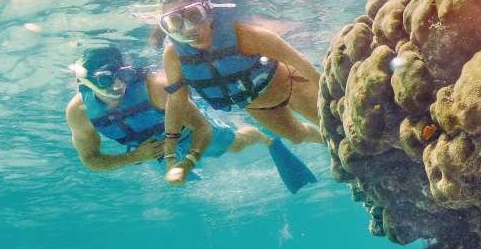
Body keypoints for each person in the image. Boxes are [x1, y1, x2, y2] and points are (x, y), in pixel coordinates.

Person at [64, 44, 311, 190]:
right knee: (187, 184)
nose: (118, 85)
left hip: (187, 130)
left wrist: (187, 160)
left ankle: (266, 137)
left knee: (233, 146)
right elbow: (90, 160)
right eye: (106, 79)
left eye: (124, 75)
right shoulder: (79, 112)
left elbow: (202, 128)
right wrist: (135, 157)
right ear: (84, 83)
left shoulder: (157, 88)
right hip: (151, 146)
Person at [155, 0, 323, 188]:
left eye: (194, 15)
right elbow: (177, 102)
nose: (188, 28)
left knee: (331, 123)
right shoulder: (174, 55)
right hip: (257, 105)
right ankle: (333, 146)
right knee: (297, 136)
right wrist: (170, 155)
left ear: (209, 13)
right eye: (175, 22)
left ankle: (345, 144)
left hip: (292, 84)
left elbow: (301, 63)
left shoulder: (245, 35)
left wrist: (334, 96)